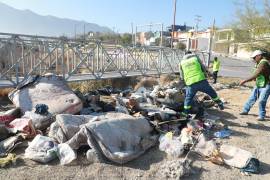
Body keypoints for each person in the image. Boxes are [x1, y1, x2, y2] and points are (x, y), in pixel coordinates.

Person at [179, 51, 224, 116]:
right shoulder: (195, 58)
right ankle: (220, 103)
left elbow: (181, 76)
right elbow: (203, 68)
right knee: (211, 92)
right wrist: (206, 74)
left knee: (188, 98)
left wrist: (185, 82)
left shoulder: (181, 63)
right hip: (201, 80)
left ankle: (185, 112)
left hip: (191, 83)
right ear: (191, 54)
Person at [239, 50, 270, 121]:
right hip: (259, 84)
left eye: (254, 57)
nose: (253, 59)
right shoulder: (258, 63)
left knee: (262, 100)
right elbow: (257, 75)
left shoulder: (263, 63)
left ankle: (261, 115)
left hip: (267, 84)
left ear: (259, 56)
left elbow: (256, 74)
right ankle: (245, 110)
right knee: (252, 98)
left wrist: (244, 81)